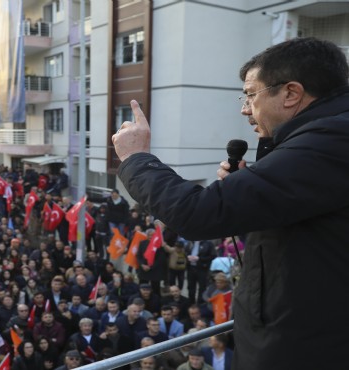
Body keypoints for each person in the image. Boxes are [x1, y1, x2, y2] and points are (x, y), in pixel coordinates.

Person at [112, 37, 349, 370]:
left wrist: (135, 158)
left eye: (251, 94)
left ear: (291, 93)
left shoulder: (328, 143)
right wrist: (249, 182)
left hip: (305, 347)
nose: (244, 108)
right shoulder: (325, 138)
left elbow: (198, 214)